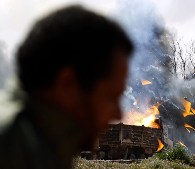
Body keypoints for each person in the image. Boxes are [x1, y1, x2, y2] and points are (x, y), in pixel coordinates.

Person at [0, 5, 133, 169]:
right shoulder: (12, 149)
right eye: (111, 97)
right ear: (67, 85)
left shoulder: (43, 142)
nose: (118, 114)